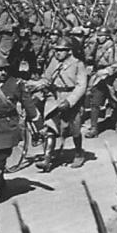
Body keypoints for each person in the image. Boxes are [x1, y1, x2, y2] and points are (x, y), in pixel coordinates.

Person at [29, 36, 89, 171]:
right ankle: (47, 159)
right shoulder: (54, 62)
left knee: (75, 130)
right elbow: (47, 78)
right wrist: (35, 86)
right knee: (50, 127)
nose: (58, 53)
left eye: (61, 50)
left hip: (71, 98)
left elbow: (81, 86)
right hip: (54, 97)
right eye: (56, 50)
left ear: (69, 51)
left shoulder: (78, 64)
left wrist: (70, 101)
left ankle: (79, 153)